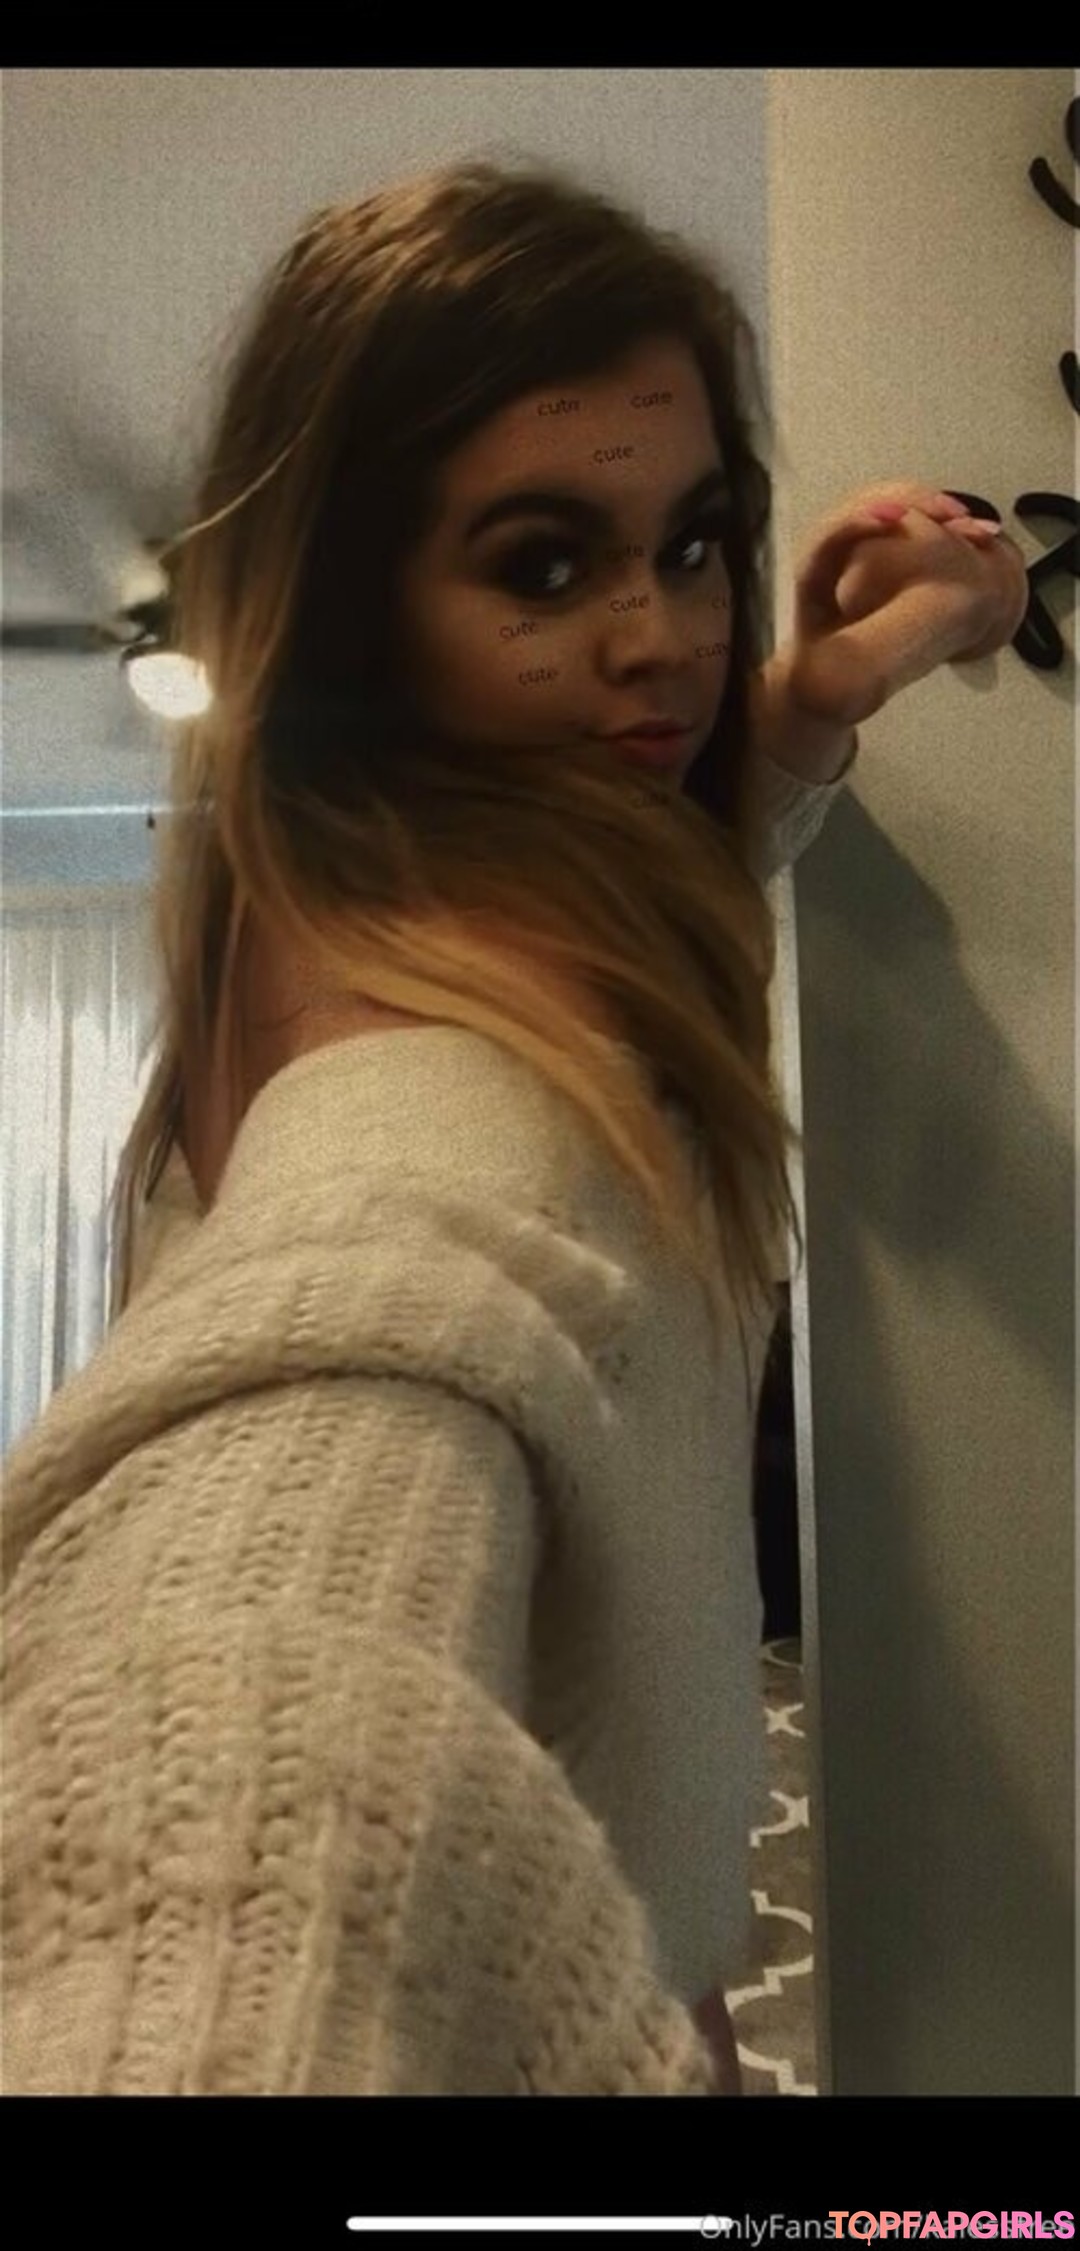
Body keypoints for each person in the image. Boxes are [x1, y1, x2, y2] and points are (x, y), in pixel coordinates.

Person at [1, 156, 1026, 2098]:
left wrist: (855, 662)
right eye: (544, 568)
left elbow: (703, 852)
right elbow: (297, 1471)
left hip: (630, 1984)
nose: (662, 641)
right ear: (351, 614)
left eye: (696, 542)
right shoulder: (440, 1081)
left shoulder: (465, 872)